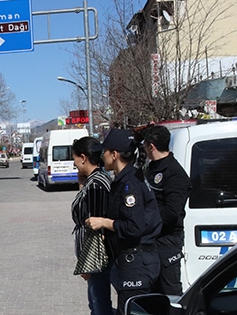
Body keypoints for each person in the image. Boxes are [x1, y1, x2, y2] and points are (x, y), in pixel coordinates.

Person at [85, 129, 162, 315]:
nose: (101, 156)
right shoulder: (126, 179)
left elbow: (134, 227)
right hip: (131, 260)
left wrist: (104, 223)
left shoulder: (130, 185)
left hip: (136, 262)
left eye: (104, 151)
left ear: (114, 154)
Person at [141, 125, 192, 295]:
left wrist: (144, 220)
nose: (144, 149)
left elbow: (171, 212)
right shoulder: (151, 169)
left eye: (145, 145)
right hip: (151, 239)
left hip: (167, 241)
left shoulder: (175, 173)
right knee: (151, 289)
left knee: (169, 289)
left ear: (152, 146)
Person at [71, 137, 113, 315]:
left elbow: (97, 228)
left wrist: (88, 264)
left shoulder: (96, 184)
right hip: (93, 256)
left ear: (83, 157)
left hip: (96, 257)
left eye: (74, 159)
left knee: (99, 304)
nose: (74, 164)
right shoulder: (92, 181)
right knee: (96, 302)